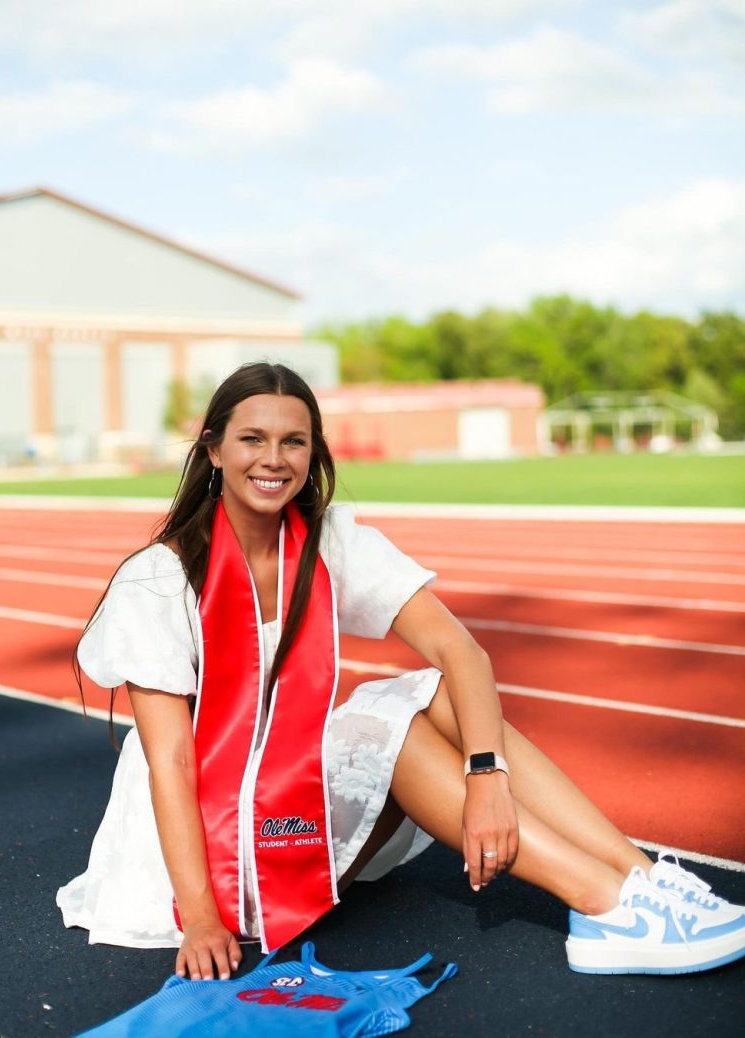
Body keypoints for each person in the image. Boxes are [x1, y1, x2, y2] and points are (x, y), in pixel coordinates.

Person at [57, 362, 745, 980]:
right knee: (395, 728)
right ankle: (602, 904)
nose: (274, 459)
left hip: (286, 803)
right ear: (212, 449)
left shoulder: (327, 543)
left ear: (313, 453)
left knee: (431, 695)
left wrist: (487, 778)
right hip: (194, 855)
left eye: (294, 441)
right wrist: (201, 916)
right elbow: (173, 760)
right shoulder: (161, 579)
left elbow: (462, 654)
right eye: (252, 439)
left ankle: (640, 880)